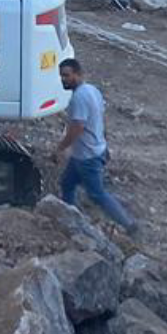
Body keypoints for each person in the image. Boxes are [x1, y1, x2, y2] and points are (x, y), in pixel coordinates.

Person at [54, 57, 137, 232]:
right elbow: (101, 118)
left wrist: (60, 148)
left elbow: (77, 128)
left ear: (78, 74)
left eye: (67, 75)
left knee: (97, 194)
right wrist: (104, 143)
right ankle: (71, 220)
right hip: (87, 153)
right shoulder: (93, 90)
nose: (63, 79)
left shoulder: (79, 98)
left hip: (87, 156)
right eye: (61, 75)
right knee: (67, 184)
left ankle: (129, 225)